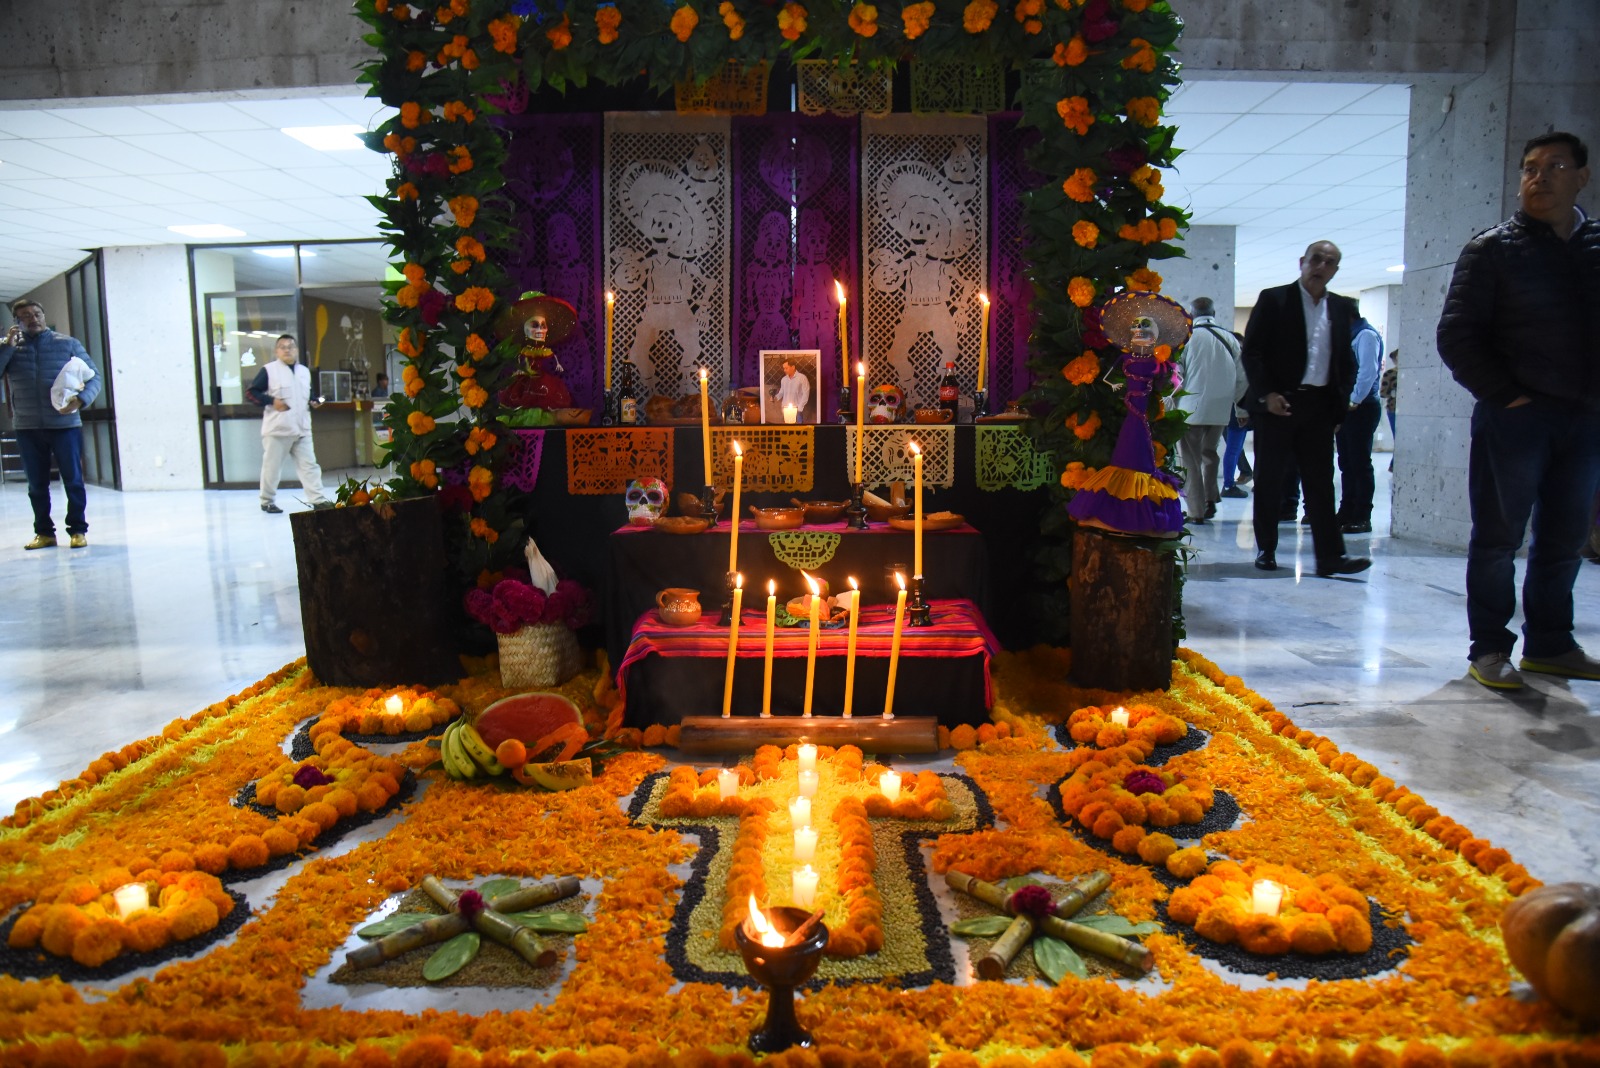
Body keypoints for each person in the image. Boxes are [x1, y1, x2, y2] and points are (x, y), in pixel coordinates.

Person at [1436, 130, 1600, 690]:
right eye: (1530, 168)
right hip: (1515, 416)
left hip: (1585, 418)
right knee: (1498, 537)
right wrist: (1507, 395)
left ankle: (1551, 644)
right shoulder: (1493, 249)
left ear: (1582, 177)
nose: (1539, 177)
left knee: (1565, 538)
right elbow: (1457, 336)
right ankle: (1489, 647)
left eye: (1555, 166)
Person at [1241, 240, 1370, 576]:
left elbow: (1346, 361)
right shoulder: (1275, 299)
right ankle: (1266, 549)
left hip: (1319, 406)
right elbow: (1252, 351)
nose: (1321, 267)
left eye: (1329, 262)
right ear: (1302, 262)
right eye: (1316, 259)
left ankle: (1330, 557)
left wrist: (1339, 406)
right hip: (1278, 403)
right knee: (1270, 480)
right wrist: (1267, 394)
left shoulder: (1340, 307)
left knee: (1321, 484)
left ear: (1335, 270)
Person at [0, 299, 102, 549]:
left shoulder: (67, 344)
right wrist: (7, 347)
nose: (33, 319)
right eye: (25, 316)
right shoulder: (9, 348)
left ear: (43, 315)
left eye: (37, 313)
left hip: (65, 424)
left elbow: (94, 377)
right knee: (36, 485)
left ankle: (77, 530)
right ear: (16, 322)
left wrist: (81, 400)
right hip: (27, 427)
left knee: (73, 480)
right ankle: (44, 533)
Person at [1175, 296, 1248, 524]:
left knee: (1190, 460)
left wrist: (1168, 402)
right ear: (1213, 313)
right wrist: (1241, 409)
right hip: (1220, 411)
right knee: (1210, 453)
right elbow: (1242, 377)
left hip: (1190, 409)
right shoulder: (1230, 338)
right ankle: (1210, 498)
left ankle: (1196, 511)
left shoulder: (1186, 338)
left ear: (1191, 314)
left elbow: (1176, 375)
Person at [246, 334, 332, 513]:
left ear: (297, 350)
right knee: (272, 468)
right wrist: (271, 401)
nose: (287, 350)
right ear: (276, 351)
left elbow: (309, 395)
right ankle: (267, 501)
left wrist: (315, 401)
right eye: (282, 347)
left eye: (290, 347)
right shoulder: (269, 370)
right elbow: (251, 393)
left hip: (302, 429)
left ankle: (317, 499)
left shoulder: (304, 372)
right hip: (278, 430)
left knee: (310, 466)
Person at [1334, 313, 1384, 534]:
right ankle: (1346, 511)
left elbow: (1367, 371)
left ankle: (1362, 516)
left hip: (1361, 407)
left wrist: (1354, 399)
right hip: (1347, 408)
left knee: (1360, 463)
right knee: (1346, 462)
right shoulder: (1350, 336)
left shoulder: (1365, 335)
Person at [1378, 349, 1399, 472]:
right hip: (1394, 409)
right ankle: (1394, 465)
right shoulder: (1390, 373)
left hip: (1407, 411)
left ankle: (1394, 465)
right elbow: (1383, 393)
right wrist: (1395, 393)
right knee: (1398, 438)